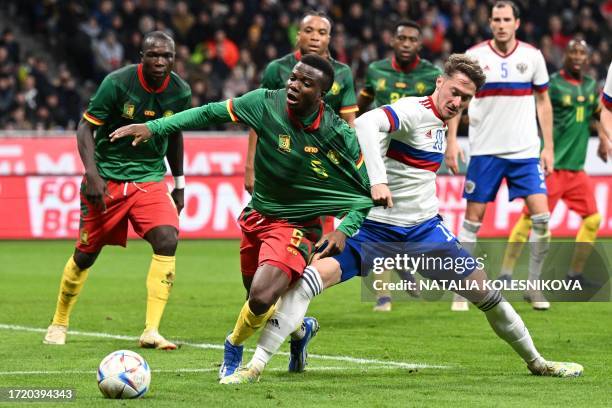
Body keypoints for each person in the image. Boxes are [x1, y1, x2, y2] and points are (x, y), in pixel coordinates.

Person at [220, 54, 583, 384]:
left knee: (487, 293)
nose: (458, 102)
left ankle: (538, 362)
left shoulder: (441, 124)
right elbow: (364, 125)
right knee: (307, 282)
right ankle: (255, 367)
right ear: (439, 82)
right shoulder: (412, 110)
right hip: (373, 229)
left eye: (467, 98)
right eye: (455, 91)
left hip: (425, 231)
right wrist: (377, 180)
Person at [108, 54, 374, 381]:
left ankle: (233, 346)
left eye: (306, 84)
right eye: (293, 78)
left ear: (322, 94)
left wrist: (344, 230)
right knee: (257, 300)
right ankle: (299, 329)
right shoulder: (264, 103)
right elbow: (208, 112)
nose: (294, 86)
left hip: (297, 228)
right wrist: (153, 126)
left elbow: (366, 192)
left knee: (262, 296)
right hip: (258, 217)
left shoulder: (337, 134)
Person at [43, 31, 191, 350]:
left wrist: (179, 183)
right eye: (154, 55)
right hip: (107, 179)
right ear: (141, 56)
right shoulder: (117, 83)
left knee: (168, 238)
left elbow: (175, 135)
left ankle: (151, 330)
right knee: (85, 256)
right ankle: (59, 321)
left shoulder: (180, 92)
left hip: (148, 179)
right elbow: (85, 127)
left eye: (167, 56)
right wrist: (92, 174)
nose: (161, 62)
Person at [445, 1, 554, 311]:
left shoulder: (532, 56)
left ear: (517, 23)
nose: (501, 24)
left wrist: (548, 147)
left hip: (524, 151)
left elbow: (543, 103)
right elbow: (457, 100)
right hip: (485, 151)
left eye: (507, 19)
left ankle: (534, 285)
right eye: (496, 19)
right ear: (490, 22)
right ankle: (463, 287)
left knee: (543, 218)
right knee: (472, 221)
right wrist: (452, 141)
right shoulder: (475, 57)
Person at [499, 39, 608, 285]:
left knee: (593, 219)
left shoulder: (591, 86)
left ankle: (574, 274)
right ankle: (505, 274)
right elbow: (536, 112)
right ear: (565, 57)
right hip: (552, 168)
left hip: (577, 170)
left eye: (582, 52)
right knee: (530, 218)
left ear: (588, 58)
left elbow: (598, 113)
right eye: (574, 52)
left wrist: (602, 138)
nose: (578, 56)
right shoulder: (554, 85)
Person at [356, 19, 442, 311]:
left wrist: (451, 144)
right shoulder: (376, 70)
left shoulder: (432, 74)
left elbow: (443, 112)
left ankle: (402, 259)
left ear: (420, 44)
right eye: (401, 38)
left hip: (413, 154)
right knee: (379, 213)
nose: (406, 43)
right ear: (393, 41)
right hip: (380, 154)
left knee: (406, 213)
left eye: (411, 39)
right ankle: (383, 295)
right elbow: (365, 100)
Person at [244, 10, 358, 194]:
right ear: (298, 35)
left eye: (321, 33)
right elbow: (258, 118)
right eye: (309, 30)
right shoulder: (277, 68)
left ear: (329, 38)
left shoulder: (343, 73)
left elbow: (349, 123)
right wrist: (250, 166)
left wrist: (353, 163)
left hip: (323, 160)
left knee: (322, 219)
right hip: (280, 158)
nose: (315, 37)